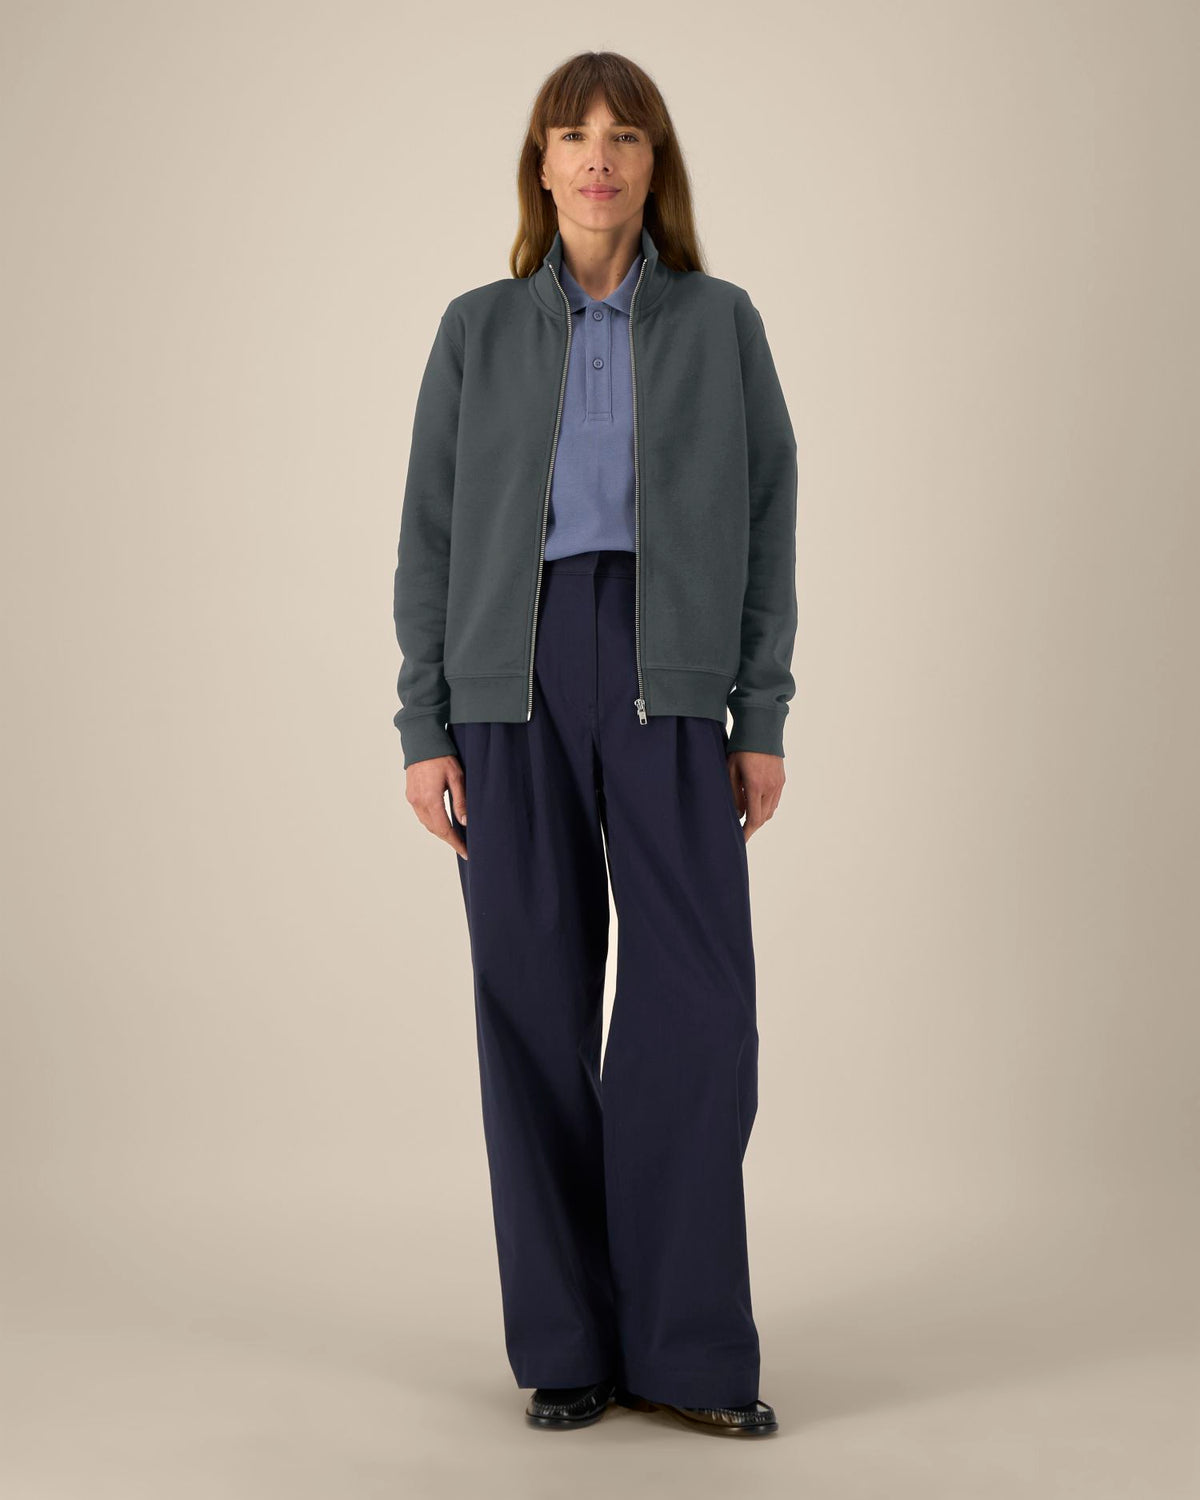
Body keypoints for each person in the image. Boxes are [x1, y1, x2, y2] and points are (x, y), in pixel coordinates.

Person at [392, 51, 797, 1439]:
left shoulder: (721, 322)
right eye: (574, 135)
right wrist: (425, 723)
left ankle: (686, 1349)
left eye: (624, 135)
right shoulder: (478, 330)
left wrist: (759, 713)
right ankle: (569, 1347)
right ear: (543, 163)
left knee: (699, 1009)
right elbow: (431, 534)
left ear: (652, 162)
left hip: (669, 676)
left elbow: (768, 517)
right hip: (508, 683)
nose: (598, 157)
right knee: (531, 999)